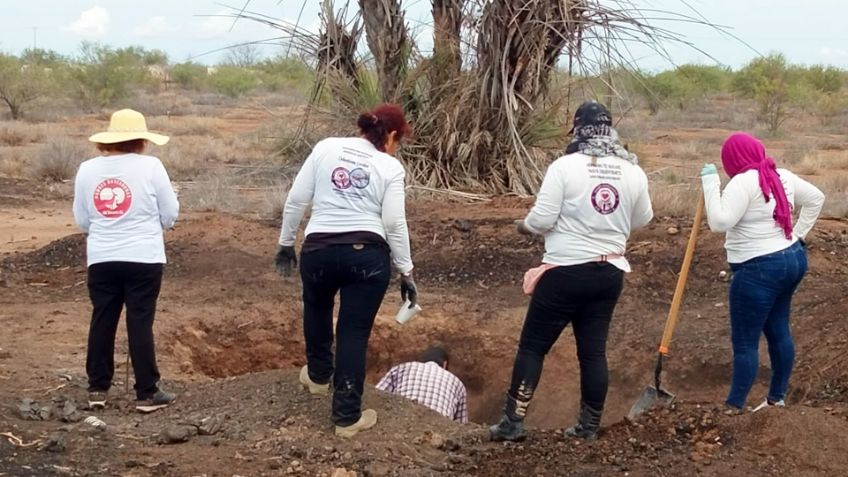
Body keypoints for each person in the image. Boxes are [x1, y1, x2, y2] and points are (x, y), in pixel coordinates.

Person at [489, 101, 653, 442]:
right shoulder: (633, 170)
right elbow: (642, 219)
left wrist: (525, 226)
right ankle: (588, 426)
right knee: (593, 352)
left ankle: (512, 423)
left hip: (565, 272)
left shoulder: (564, 167)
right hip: (609, 272)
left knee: (533, 347)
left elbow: (543, 218)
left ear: (578, 130)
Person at [275, 103, 417, 438]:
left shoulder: (325, 148)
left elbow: (296, 199)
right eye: (399, 140)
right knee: (353, 333)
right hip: (367, 258)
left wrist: (285, 244)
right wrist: (406, 272)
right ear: (392, 135)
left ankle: (318, 376)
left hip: (318, 250)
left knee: (317, 306)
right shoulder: (389, 167)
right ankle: (346, 417)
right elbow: (394, 223)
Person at [700, 132, 824, 412]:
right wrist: (798, 235)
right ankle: (776, 399)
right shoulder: (780, 175)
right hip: (792, 259)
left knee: (745, 343)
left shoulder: (742, 183)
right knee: (779, 330)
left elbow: (719, 222)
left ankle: (733, 407)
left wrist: (709, 183)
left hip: (758, 271)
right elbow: (817, 197)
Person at [72, 109, 179, 411]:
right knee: (140, 320)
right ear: (141, 140)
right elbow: (170, 213)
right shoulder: (152, 166)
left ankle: (97, 388)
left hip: (102, 256)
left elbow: (82, 219)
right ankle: (147, 391)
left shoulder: (87, 169)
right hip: (144, 257)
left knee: (103, 318)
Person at [376, 346, 468, 423]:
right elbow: (462, 427)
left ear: (421, 361)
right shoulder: (458, 384)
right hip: (438, 434)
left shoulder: (402, 368)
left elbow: (376, 396)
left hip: (399, 424)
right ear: (445, 364)